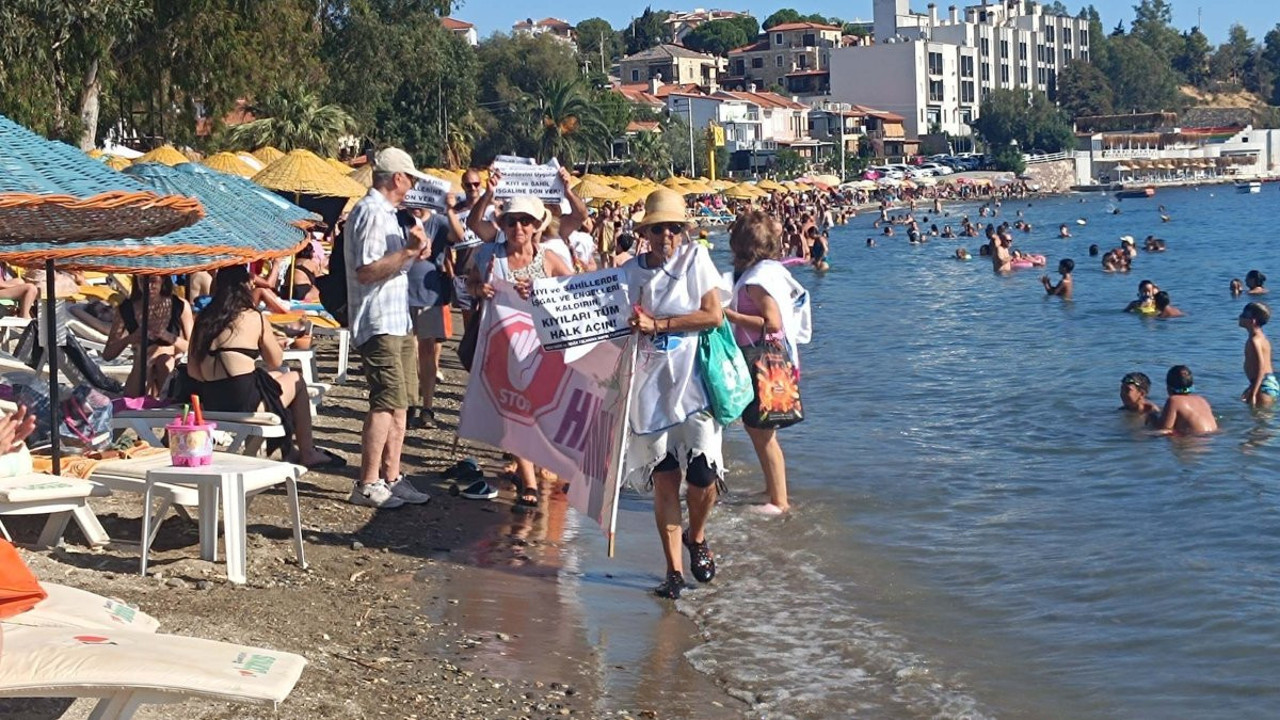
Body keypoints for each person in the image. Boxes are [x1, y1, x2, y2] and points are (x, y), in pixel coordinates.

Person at [621, 188, 725, 600]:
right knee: (665, 480)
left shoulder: (695, 260)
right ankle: (673, 573)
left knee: (703, 476)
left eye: (674, 228)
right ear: (646, 231)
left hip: (694, 384)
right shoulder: (630, 272)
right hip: (648, 388)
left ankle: (696, 536)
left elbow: (713, 315)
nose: (667, 235)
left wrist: (660, 325)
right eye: (659, 228)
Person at [466, 192, 573, 508]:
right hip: (500, 350)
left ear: (537, 225)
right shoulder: (488, 255)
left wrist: (543, 290)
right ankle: (528, 480)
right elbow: (469, 281)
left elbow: (578, 290)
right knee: (514, 414)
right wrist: (478, 289)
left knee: (540, 413)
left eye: (526, 221)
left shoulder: (549, 259)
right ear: (503, 224)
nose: (518, 228)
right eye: (512, 221)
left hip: (543, 351)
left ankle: (539, 463)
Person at [343, 147, 435, 509]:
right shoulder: (370, 213)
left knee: (400, 403)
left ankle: (391, 477)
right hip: (378, 320)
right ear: (397, 178)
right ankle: (366, 482)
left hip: (396, 320)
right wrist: (409, 253)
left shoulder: (390, 215)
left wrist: (413, 250)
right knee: (385, 401)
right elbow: (366, 271)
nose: (412, 185)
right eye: (409, 178)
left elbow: (391, 264)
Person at [187, 266, 342, 469]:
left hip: (210, 401)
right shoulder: (253, 316)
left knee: (275, 377)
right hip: (243, 404)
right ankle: (307, 451)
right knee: (295, 379)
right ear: (244, 287)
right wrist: (274, 344)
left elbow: (193, 370)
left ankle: (284, 450)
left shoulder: (203, 319)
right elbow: (275, 361)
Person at [723, 211, 810, 517]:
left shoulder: (756, 281)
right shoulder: (769, 272)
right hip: (772, 358)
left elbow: (771, 323)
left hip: (761, 360)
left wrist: (729, 315)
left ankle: (780, 501)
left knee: (763, 432)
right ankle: (772, 490)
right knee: (758, 429)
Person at [406, 200, 464, 430]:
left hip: (430, 295)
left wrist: (449, 209)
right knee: (408, 352)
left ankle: (427, 406)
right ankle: (409, 403)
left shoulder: (439, 222)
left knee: (428, 352)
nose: (415, 208)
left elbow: (460, 238)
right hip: (401, 295)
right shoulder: (399, 219)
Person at [103, 275, 192, 398]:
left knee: (164, 360)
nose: (148, 286)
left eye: (153, 281)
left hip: (170, 366)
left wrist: (167, 336)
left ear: (163, 280)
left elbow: (193, 348)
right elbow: (107, 354)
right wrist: (130, 338)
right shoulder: (126, 308)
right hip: (141, 366)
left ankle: (164, 402)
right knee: (144, 361)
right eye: (142, 281)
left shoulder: (179, 305)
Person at [1152, 366, 1217, 434]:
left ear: (1168, 388)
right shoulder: (1202, 400)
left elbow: (1164, 430)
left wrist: (1152, 416)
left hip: (1196, 439)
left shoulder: (1174, 400)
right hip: (1212, 437)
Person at [1239, 301, 1276, 408]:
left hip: (1263, 384)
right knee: (1262, 420)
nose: (1240, 316)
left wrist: (1254, 393)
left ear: (1252, 321)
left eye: (1243, 315)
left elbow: (1261, 368)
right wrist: (1251, 386)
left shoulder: (1255, 341)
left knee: (1260, 420)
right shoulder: (1262, 338)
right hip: (1265, 382)